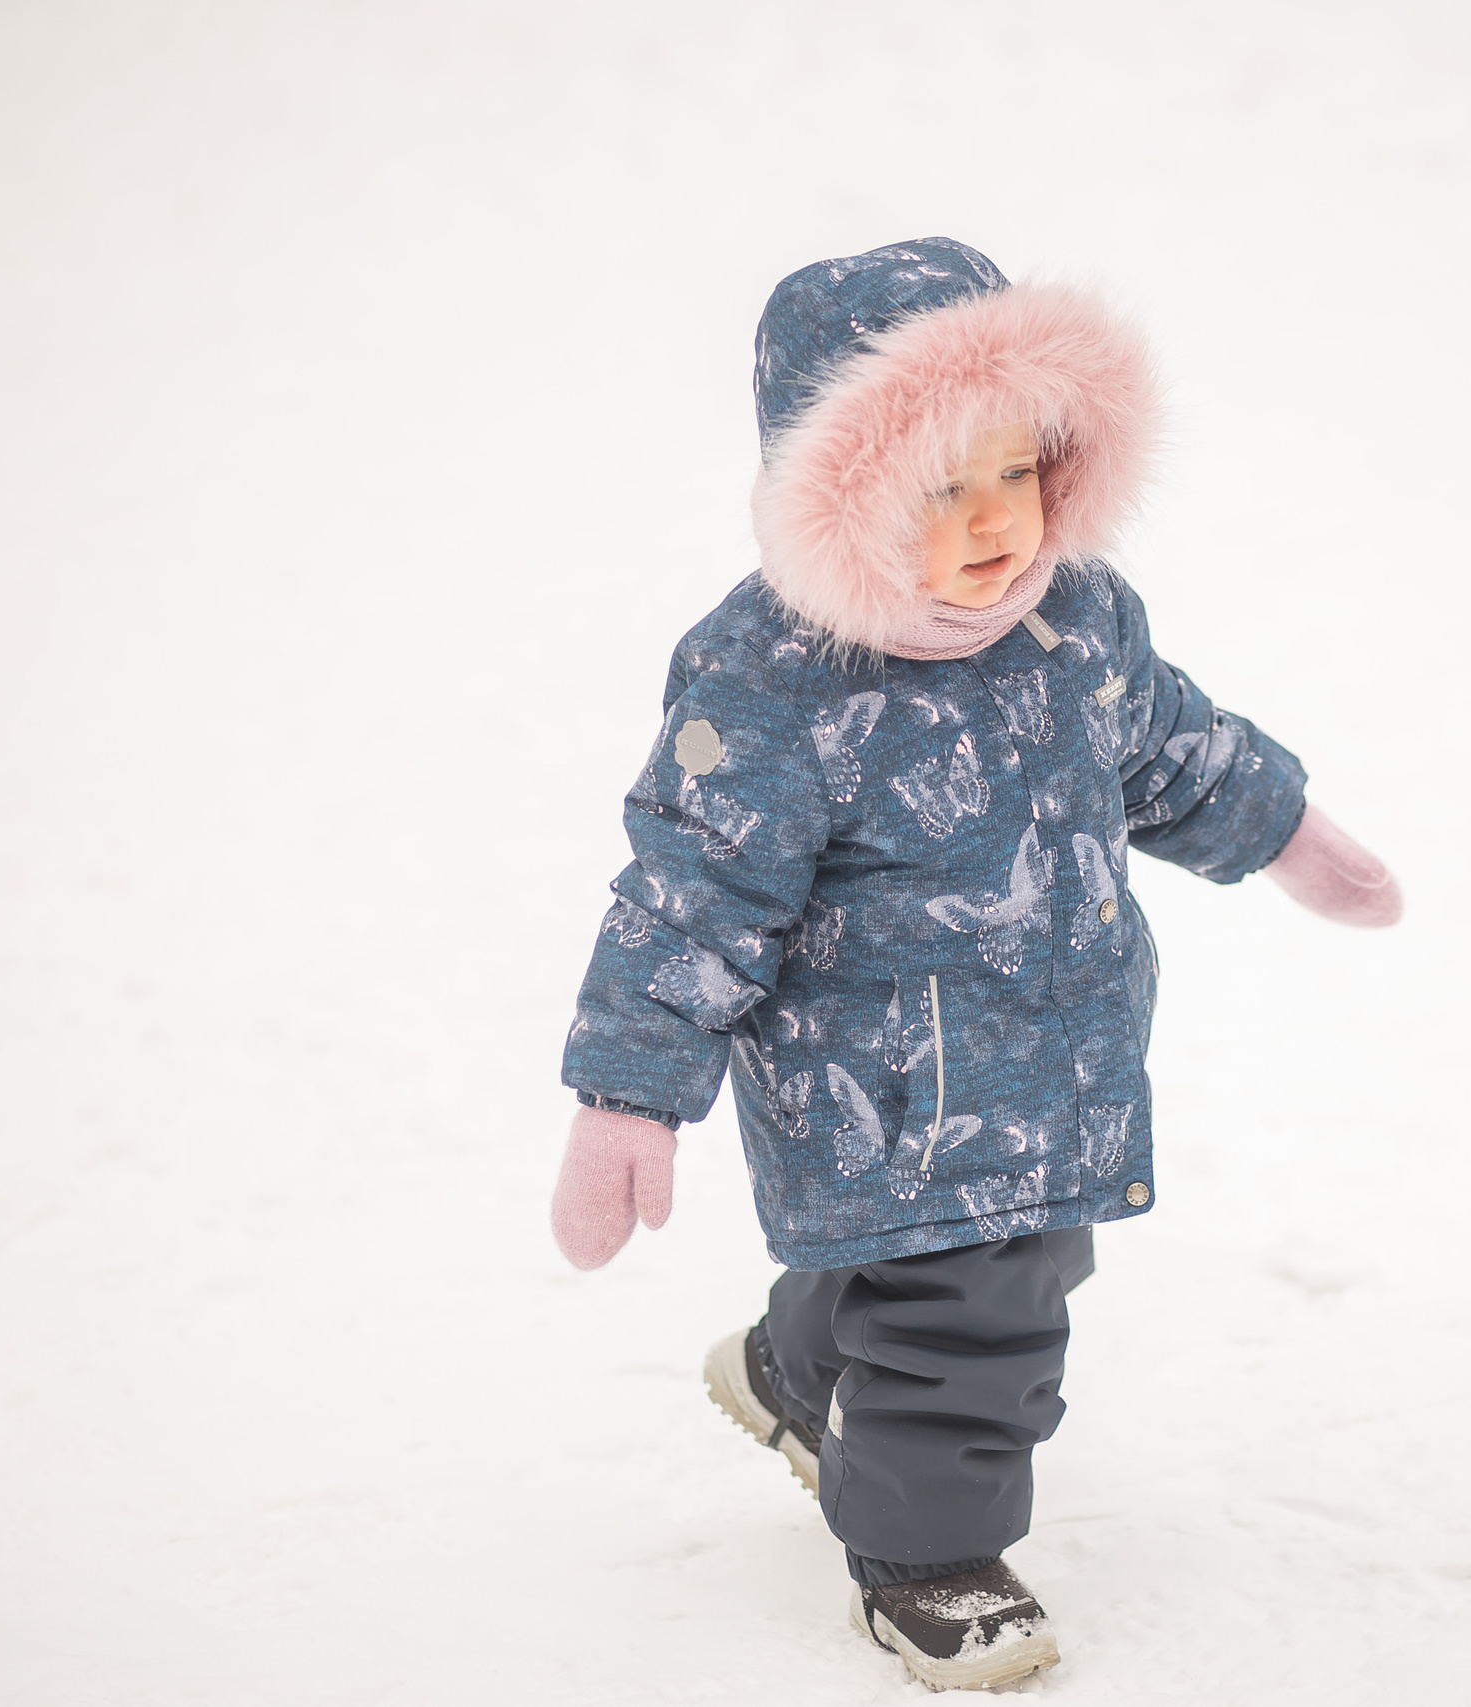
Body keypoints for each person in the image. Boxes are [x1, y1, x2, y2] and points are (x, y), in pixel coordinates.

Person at [549, 237, 1400, 1690]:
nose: (997, 521)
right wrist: (629, 1094)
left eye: (1016, 473)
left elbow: (1167, 746)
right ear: (844, 498)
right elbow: (689, 895)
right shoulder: (774, 683)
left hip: (1059, 1052)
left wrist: (1286, 831)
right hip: (880, 1090)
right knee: (973, 1320)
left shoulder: (1077, 620)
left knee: (983, 1263)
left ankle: (793, 1371)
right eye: (941, 488)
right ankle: (926, 1553)